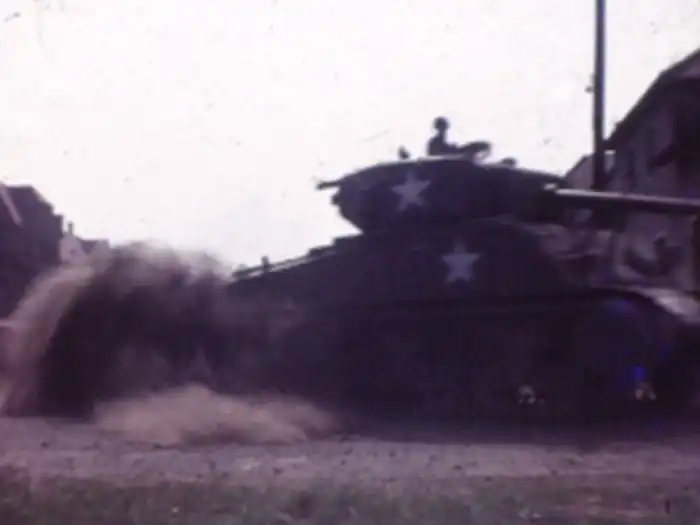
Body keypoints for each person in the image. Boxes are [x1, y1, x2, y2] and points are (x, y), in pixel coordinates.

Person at [426, 117, 492, 161]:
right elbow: (435, 155)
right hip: (445, 165)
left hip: (452, 160)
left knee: (475, 146)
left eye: (444, 127)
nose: (444, 130)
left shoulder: (438, 141)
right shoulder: (434, 142)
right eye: (442, 127)